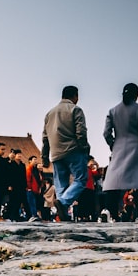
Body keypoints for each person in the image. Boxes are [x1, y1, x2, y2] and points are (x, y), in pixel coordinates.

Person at [102, 83, 138, 223]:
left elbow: (106, 133)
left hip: (119, 147)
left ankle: (111, 213)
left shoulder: (113, 111)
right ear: (136, 95)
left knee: (114, 182)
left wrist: (114, 145)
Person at [42, 85, 90, 222]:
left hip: (56, 154)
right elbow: (81, 132)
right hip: (73, 151)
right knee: (81, 179)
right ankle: (63, 203)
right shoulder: (76, 110)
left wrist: (44, 157)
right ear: (75, 96)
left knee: (61, 185)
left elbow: (45, 138)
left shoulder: (49, 113)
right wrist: (85, 148)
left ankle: (62, 214)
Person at [25, 155, 44, 222]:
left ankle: (35, 215)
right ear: (30, 161)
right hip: (31, 189)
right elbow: (28, 179)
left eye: (36, 160)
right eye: (34, 160)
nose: (35, 161)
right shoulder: (29, 169)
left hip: (35, 189)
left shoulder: (34, 169)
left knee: (34, 203)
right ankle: (33, 215)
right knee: (31, 202)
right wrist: (29, 187)